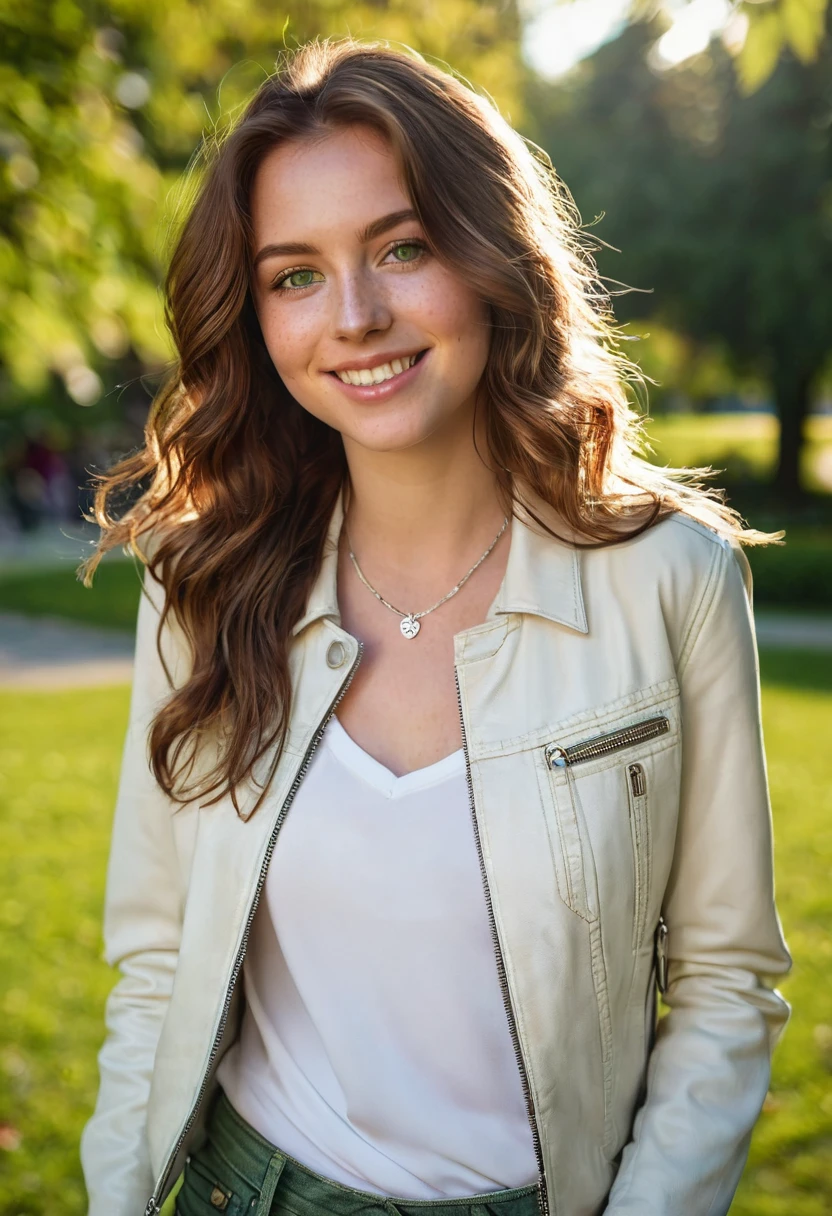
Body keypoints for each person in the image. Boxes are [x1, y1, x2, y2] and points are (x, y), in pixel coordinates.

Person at [80, 38, 791, 1216]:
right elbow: (155, 964)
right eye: (293, 275)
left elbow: (723, 985)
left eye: (401, 248)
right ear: (253, 315)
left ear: (491, 254)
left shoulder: (670, 577)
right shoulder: (205, 583)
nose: (354, 316)